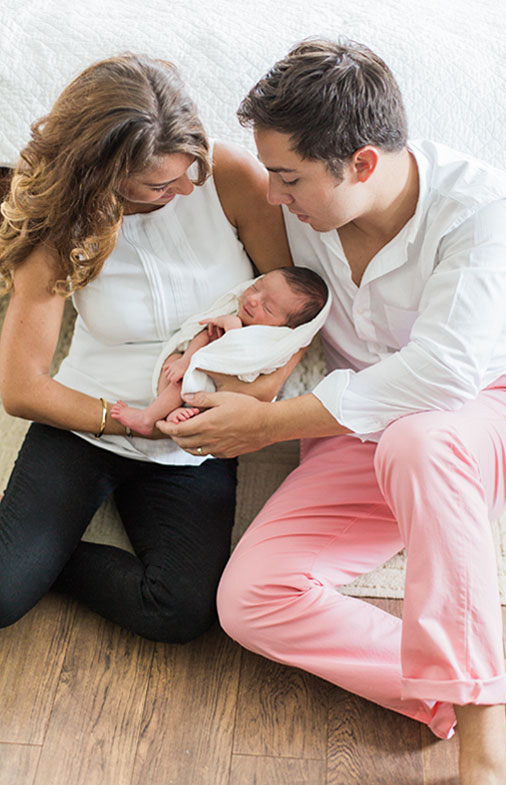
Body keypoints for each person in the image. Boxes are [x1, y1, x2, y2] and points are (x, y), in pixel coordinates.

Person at [155, 39, 506, 785]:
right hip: (349, 428)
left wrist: (266, 426)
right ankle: (493, 674)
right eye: (269, 174)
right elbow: (271, 308)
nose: (272, 196)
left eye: (287, 178)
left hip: (469, 420)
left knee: (419, 442)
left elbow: (445, 372)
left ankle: (485, 748)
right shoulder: (294, 208)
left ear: (360, 163)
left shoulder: (480, 207)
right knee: (249, 601)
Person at [0, 55, 295, 643]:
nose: (186, 188)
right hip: (85, 419)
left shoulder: (225, 177)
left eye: (188, 171)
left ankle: (48, 560)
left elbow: (294, 317)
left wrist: (252, 402)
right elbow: (20, 387)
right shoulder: (62, 224)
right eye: (161, 185)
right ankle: (28, 563)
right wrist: (124, 422)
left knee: (180, 610)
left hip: (193, 439)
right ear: (102, 177)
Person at [112, 267, 328, 435]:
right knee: (173, 362)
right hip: (195, 374)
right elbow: (202, 335)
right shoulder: (234, 312)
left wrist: (233, 329)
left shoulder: (272, 342)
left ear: (285, 329)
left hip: (222, 395)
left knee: (185, 387)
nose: (252, 299)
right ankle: (168, 410)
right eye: (256, 287)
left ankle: (148, 419)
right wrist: (185, 360)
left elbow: (246, 361)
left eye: (268, 308)